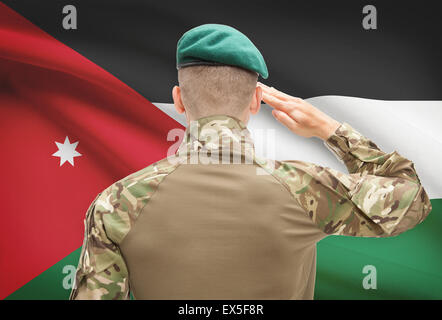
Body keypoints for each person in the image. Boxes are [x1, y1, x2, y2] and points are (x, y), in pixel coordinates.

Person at [70, 24, 432, 300]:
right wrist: (330, 130)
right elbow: (411, 198)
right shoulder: (306, 188)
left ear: (179, 99)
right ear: (257, 101)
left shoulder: (115, 204)